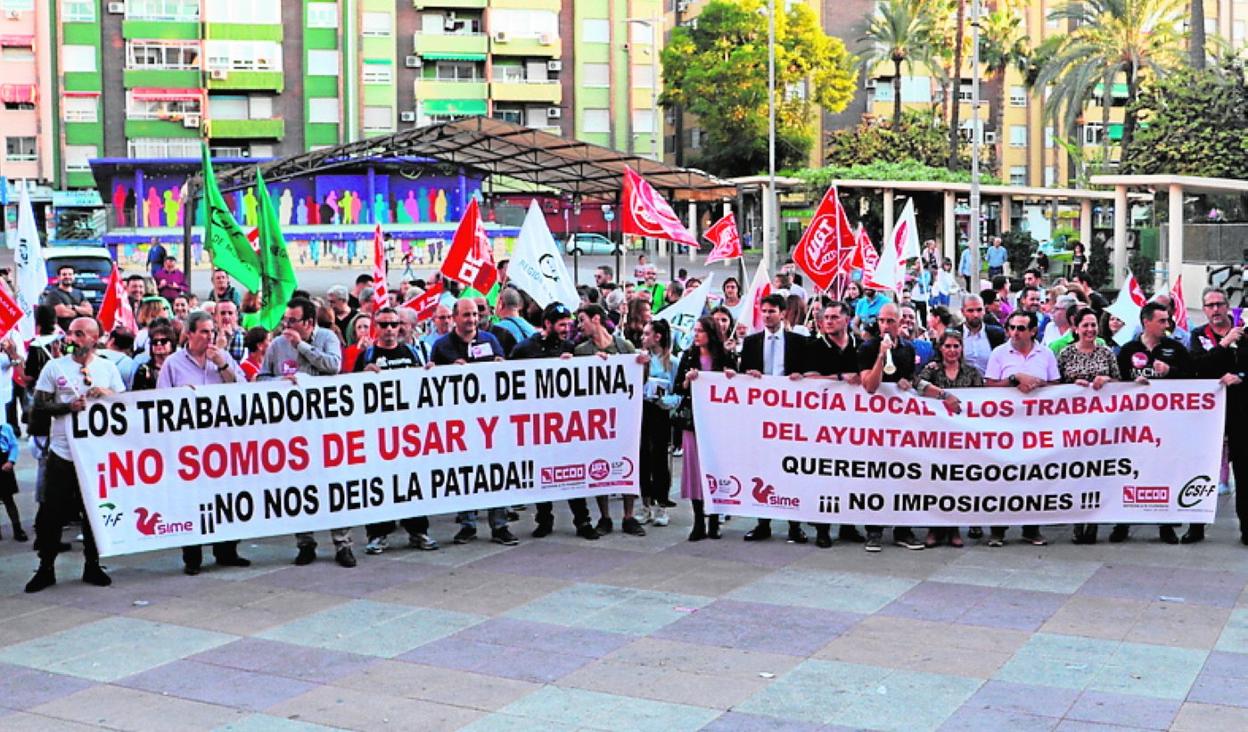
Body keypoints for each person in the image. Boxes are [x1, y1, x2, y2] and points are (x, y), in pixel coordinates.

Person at [26, 317, 124, 593]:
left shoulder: (107, 368)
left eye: (80, 334)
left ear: (95, 338)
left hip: (95, 455)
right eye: (71, 334)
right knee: (51, 512)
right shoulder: (55, 366)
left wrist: (106, 393)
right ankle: (46, 567)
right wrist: (67, 406)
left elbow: (125, 404)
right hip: (62, 453)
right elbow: (39, 406)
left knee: (93, 511)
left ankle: (92, 565)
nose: (73, 339)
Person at [259, 298, 356, 567]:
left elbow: (333, 365)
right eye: (285, 320)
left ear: (309, 323)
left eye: (293, 321)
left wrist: (300, 346)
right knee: (299, 487)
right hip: (294, 430)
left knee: (335, 486)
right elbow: (261, 377)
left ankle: (343, 543)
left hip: (326, 427)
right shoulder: (276, 346)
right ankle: (305, 543)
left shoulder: (326, 338)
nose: (286, 325)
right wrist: (281, 383)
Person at [156, 311, 250, 574]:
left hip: (221, 443)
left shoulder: (222, 358)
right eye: (205, 332)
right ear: (190, 334)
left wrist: (221, 363)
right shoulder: (173, 364)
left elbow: (242, 389)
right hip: (189, 446)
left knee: (225, 498)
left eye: (213, 332)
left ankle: (227, 550)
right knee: (191, 501)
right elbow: (162, 403)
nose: (210, 337)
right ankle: (192, 557)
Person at [431, 299, 517, 546]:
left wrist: (502, 366)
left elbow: (504, 375)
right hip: (460, 424)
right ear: (455, 318)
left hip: (491, 421)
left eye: (475, 314)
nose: (471, 319)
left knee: (496, 472)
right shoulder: (442, 345)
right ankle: (467, 524)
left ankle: (500, 525)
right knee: (465, 472)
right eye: (466, 315)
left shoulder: (490, 341)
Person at [511, 303, 598, 541]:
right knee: (540, 473)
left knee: (573, 474)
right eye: (561, 325)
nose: (567, 329)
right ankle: (544, 520)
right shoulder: (524, 350)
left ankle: (582, 521)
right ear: (547, 324)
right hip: (537, 425)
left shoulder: (571, 347)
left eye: (569, 324)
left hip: (566, 426)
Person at [356, 308, 438, 554]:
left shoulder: (411, 353)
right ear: (376, 326)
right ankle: (378, 534)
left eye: (394, 324)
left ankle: (418, 531)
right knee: (380, 483)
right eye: (384, 325)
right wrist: (362, 376)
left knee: (413, 482)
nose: (390, 329)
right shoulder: (367, 355)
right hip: (379, 433)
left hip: (408, 432)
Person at [731, 294, 810, 544]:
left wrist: (802, 376)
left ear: (783, 313)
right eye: (764, 311)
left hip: (790, 414)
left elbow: (809, 373)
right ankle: (762, 522)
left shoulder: (798, 341)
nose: (767, 315)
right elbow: (743, 375)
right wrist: (748, 375)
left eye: (772, 311)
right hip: (761, 414)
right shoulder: (752, 342)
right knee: (762, 466)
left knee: (790, 466)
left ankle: (794, 524)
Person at [1113, 301, 1192, 544]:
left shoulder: (1174, 348)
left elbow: (1192, 377)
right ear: (1146, 322)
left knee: (1164, 472)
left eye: (1167, 320)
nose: (1167, 325)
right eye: (1161, 321)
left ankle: (1166, 525)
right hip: (1134, 425)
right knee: (1128, 471)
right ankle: (1122, 522)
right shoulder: (1128, 349)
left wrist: (1170, 371)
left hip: (1165, 424)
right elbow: (1117, 382)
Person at [984, 310, 1059, 547]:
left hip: (1036, 428)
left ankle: (1031, 528)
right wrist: (1015, 379)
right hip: (1005, 427)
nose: (1015, 333)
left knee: (1033, 477)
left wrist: (1036, 383)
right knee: (1002, 477)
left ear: (1033, 331)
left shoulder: (1045, 354)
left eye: (1021, 328)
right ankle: (998, 529)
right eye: (1012, 328)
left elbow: (1057, 386)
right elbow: (988, 385)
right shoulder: (999, 353)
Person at [575, 304, 647, 536]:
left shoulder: (624, 346)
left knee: (628, 462)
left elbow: (639, 380)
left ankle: (628, 515)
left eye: (582, 320)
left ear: (596, 319)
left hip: (624, 416)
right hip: (597, 418)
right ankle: (605, 516)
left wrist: (642, 365)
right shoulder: (582, 351)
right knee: (599, 463)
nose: (579, 325)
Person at [859, 303, 925, 552]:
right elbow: (870, 385)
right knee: (876, 476)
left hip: (900, 424)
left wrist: (907, 382)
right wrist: (880, 355)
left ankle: (902, 529)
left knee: (903, 476)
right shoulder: (867, 347)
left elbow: (908, 378)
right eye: (882, 321)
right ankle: (874, 531)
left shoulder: (908, 348)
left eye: (890, 321)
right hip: (875, 423)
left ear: (900, 323)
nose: (885, 326)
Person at [802, 300, 866, 546]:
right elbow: (809, 379)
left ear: (847, 319)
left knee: (849, 474)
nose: (828, 322)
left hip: (854, 424)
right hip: (823, 425)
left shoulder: (860, 346)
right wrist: (839, 379)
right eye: (826, 317)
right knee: (824, 476)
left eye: (833, 317)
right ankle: (822, 528)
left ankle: (848, 526)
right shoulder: (814, 346)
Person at [1187, 287, 1246, 544]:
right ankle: (1196, 526)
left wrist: (1241, 377)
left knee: (1243, 469)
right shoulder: (1199, 336)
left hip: (1241, 410)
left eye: (1219, 304)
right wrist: (1223, 344)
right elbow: (1198, 367)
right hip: (1209, 412)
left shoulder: (1244, 332)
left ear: (1226, 306)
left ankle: (1246, 527)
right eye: (1209, 306)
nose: (1214, 310)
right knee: (1202, 467)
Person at [1058, 307, 1121, 545]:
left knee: (1097, 471)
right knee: (1076, 471)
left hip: (1102, 425)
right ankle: (1077, 520)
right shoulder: (1065, 354)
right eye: (1085, 325)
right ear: (1075, 328)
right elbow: (1055, 385)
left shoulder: (1106, 353)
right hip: (1072, 425)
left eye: (1093, 325)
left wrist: (1107, 381)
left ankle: (1093, 520)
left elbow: (1120, 382)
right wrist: (1073, 385)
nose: (1090, 330)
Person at [915, 331, 983, 547]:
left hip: (962, 436)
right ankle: (935, 529)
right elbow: (918, 384)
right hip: (935, 436)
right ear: (940, 348)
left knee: (957, 481)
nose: (952, 351)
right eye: (948, 346)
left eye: (956, 346)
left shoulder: (971, 372)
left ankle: (954, 528)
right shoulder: (932, 370)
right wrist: (944, 395)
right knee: (935, 482)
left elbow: (982, 398)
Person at [673, 316, 734, 541]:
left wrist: (730, 377)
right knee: (695, 471)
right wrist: (688, 381)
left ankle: (715, 519)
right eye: (695, 331)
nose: (696, 335)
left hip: (717, 423)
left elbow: (736, 386)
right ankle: (698, 520)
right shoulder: (689, 356)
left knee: (716, 468)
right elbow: (677, 387)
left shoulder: (725, 356)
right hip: (693, 422)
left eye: (701, 331)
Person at [640, 319, 679, 527]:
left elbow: (679, 392)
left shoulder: (672, 362)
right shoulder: (640, 358)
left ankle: (661, 506)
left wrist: (666, 401)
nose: (643, 338)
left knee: (659, 459)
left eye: (647, 334)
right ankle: (645, 504)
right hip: (642, 411)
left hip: (660, 412)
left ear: (658, 337)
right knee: (642, 457)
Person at [960, 295, 1004, 377]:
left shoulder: (997, 334)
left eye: (979, 310)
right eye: (970, 311)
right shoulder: (954, 334)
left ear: (984, 310)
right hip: (961, 387)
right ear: (962, 311)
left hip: (991, 386)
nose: (975, 315)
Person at [42, 265, 94, 331]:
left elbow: (89, 311)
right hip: (63, 332)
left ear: (73, 277)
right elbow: (63, 313)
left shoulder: (79, 293)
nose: (67, 277)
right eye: (64, 274)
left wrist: (73, 307)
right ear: (58, 277)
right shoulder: (53, 294)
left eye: (70, 274)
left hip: (80, 331)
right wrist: (82, 313)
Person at [131, 323, 175, 391]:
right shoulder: (143, 370)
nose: (159, 344)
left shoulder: (179, 367)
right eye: (155, 342)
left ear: (172, 344)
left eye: (163, 341)